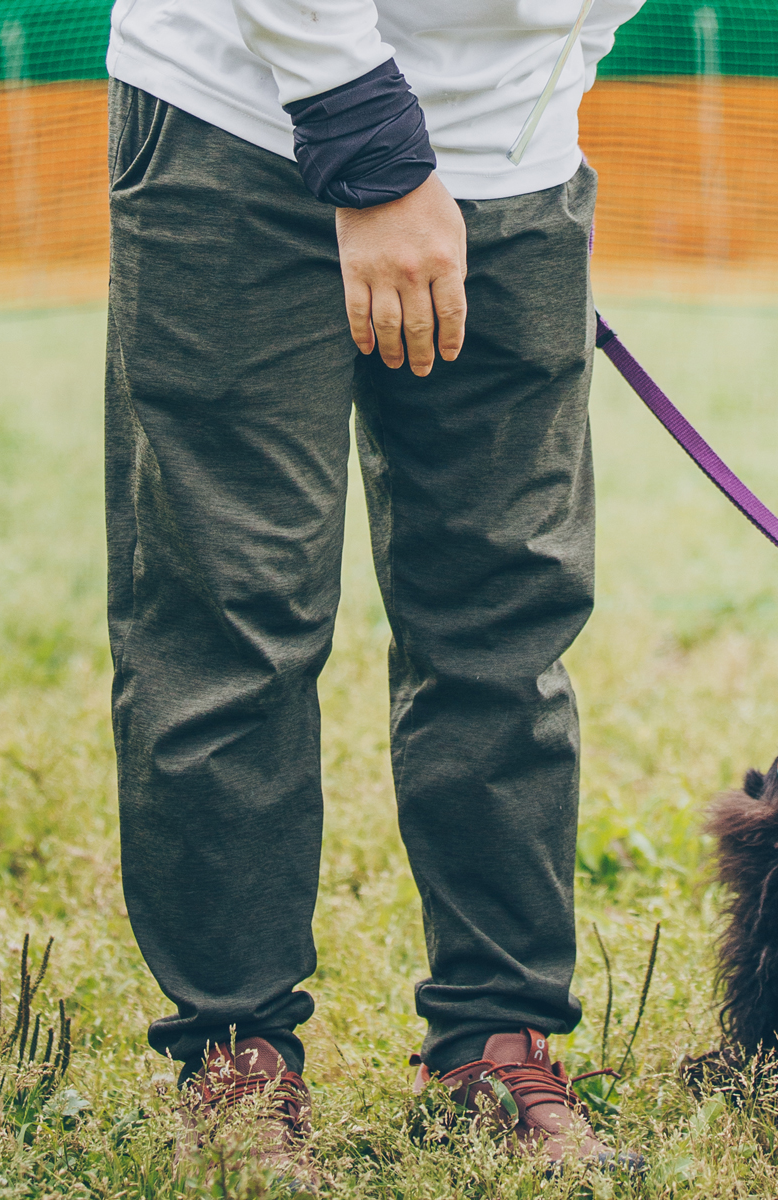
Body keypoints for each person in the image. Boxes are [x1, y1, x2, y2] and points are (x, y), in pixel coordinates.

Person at [102, 0, 644, 1177]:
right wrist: (373, 144)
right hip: (245, 119)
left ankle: (496, 1050)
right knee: (232, 618)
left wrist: (523, 137)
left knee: (507, 617)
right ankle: (235, 1060)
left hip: (515, 168)